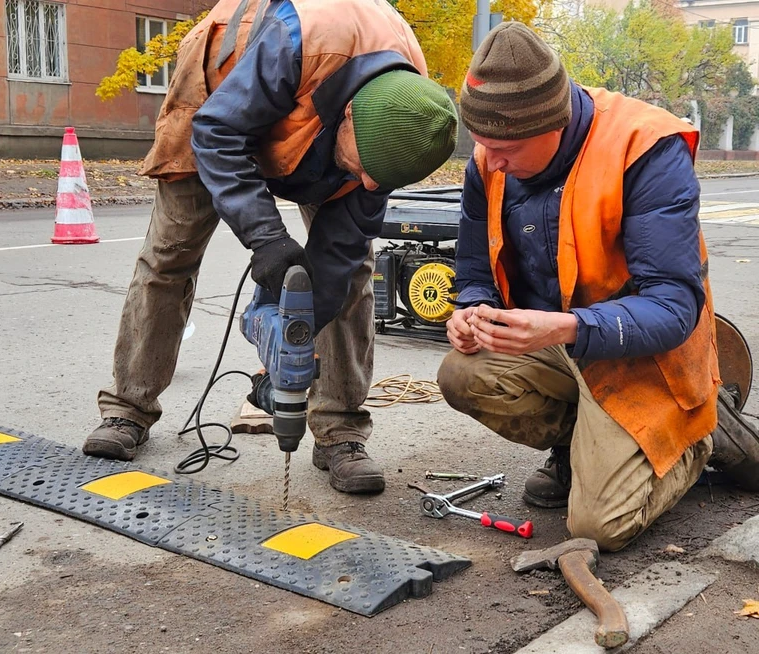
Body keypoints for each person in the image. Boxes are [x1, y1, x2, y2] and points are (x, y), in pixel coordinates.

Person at [83, 0, 459, 494]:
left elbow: (340, 251)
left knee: (352, 275)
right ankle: (127, 410)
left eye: (380, 179)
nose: (368, 184)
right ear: (347, 116)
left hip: (310, 118)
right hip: (219, 102)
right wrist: (268, 239)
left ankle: (340, 430)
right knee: (168, 257)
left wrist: (292, 339)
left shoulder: (406, 115)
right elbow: (217, 133)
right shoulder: (293, 44)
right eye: (363, 165)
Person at [436, 21, 759, 551]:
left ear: (554, 125)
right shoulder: (489, 160)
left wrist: (565, 326)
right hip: (558, 343)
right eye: (483, 145)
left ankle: (695, 438)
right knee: (462, 374)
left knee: (598, 528)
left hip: (644, 357)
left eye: (506, 149)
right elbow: (473, 271)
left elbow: (675, 307)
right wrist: (471, 310)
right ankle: (581, 445)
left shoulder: (645, 148)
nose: (491, 162)